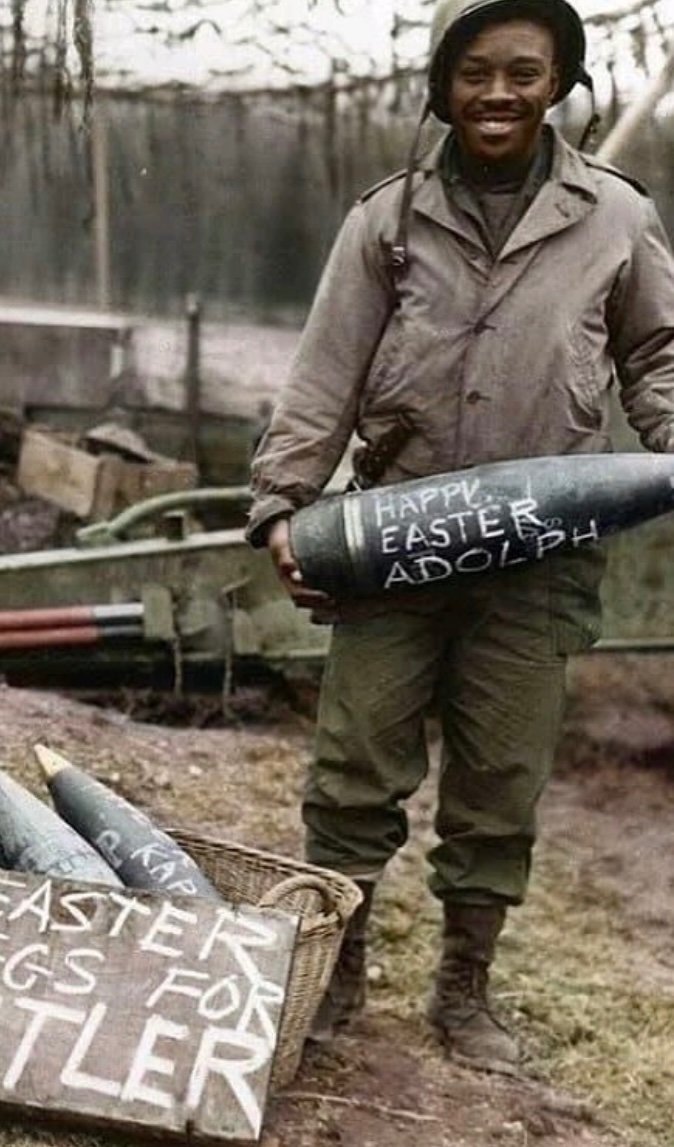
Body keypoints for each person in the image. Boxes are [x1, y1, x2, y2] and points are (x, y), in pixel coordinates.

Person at [247, 0, 674, 1076]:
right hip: (398, 537)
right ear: (442, 86)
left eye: (523, 74)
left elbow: (659, 355)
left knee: (501, 777)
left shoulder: (615, 217)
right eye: (475, 73)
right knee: (355, 765)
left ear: (559, 83)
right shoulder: (385, 220)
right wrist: (282, 504)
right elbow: (324, 374)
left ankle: (464, 992)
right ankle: (334, 975)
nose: (498, 95)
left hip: (542, 547)